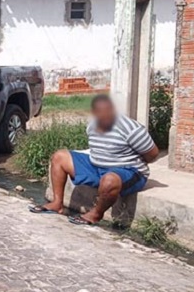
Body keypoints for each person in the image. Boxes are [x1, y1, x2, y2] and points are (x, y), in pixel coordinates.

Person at [30, 94, 160, 225]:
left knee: (109, 180)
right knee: (59, 157)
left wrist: (124, 163)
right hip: (97, 167)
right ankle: (57, 203)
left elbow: (152, 154)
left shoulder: (131, 129)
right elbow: (96, 149)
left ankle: (96, 214)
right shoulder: (93, 124)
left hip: (129, 171)